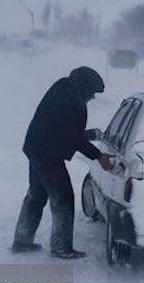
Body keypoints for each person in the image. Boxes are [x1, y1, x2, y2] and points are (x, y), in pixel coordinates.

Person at [12, 66, 113, 259]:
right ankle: (61, 247)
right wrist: (98, 156)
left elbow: (65, 129)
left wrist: (89, 135)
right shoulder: (67, 99)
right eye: (91, 93)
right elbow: (70, 135)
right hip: (47, 153)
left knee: (36, 195)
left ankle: (22, 241)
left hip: (39, 148)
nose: (92, 98)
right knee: (63, 198)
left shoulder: (65, 89)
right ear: (84, 86)